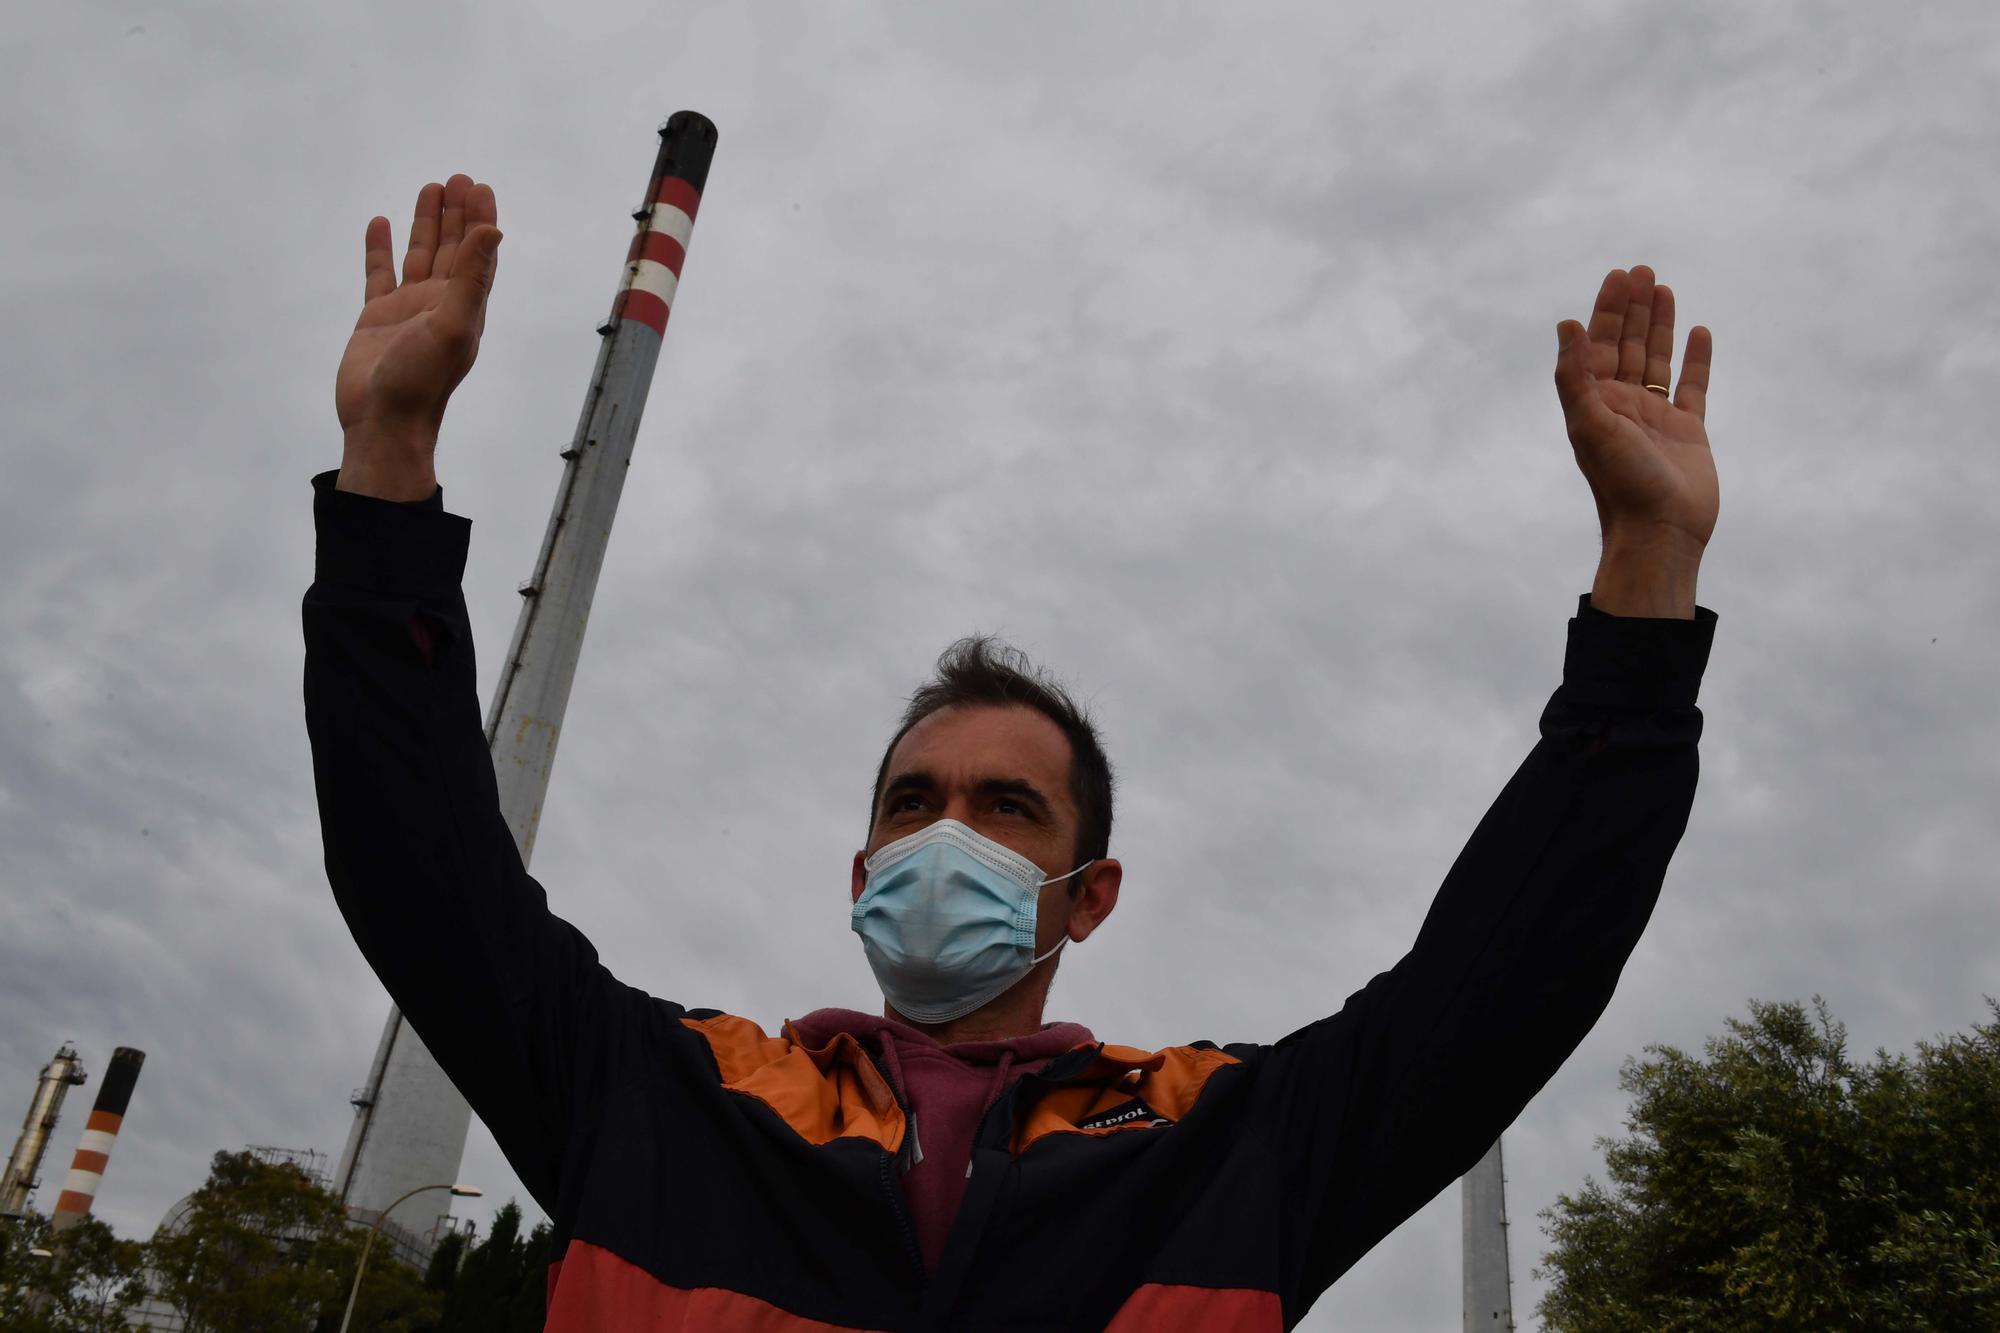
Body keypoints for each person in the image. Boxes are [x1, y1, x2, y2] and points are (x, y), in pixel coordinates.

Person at [305, 174, 1719, 1331]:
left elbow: (1511, 975)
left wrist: (1646, 565)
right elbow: (417, 865)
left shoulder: (1225, 1148)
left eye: (1006, 807)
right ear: (859, 867)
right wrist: (391, 458)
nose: (946, 833)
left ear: (1088, 891)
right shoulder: (660, 1092)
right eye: (914, 801)